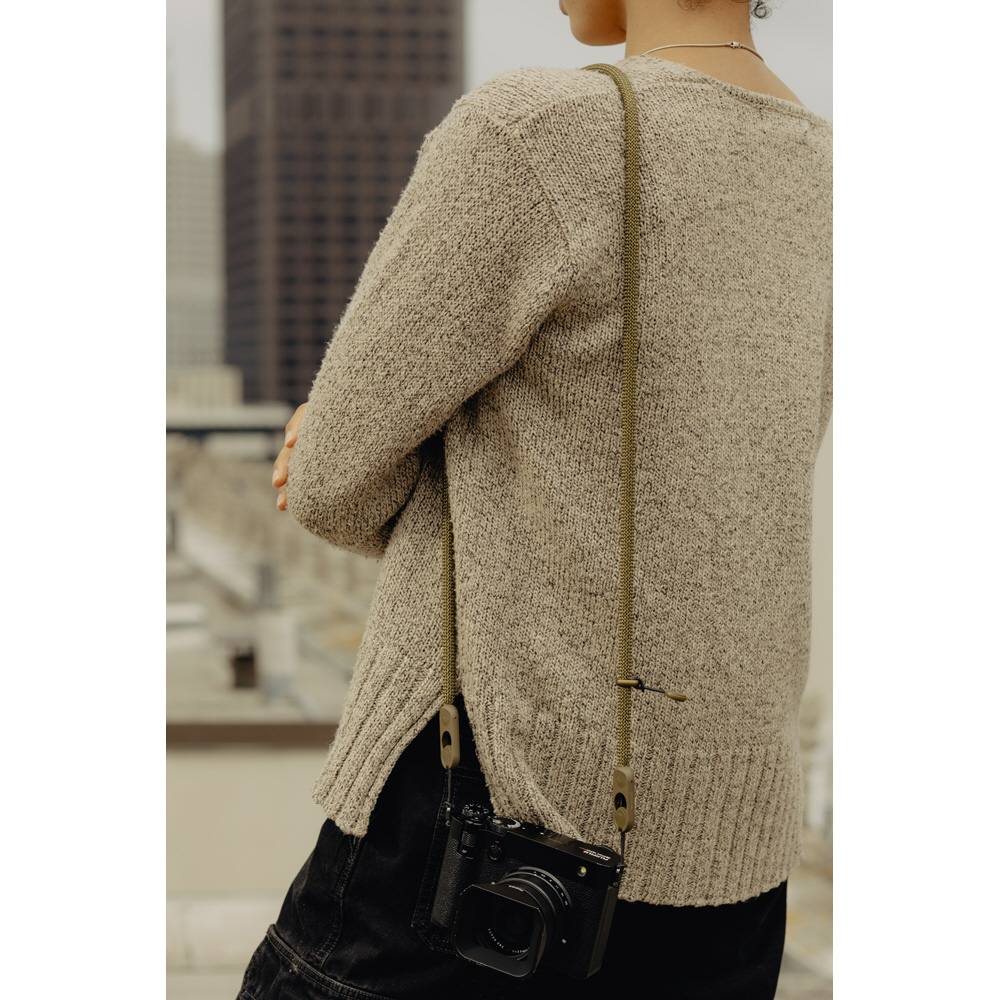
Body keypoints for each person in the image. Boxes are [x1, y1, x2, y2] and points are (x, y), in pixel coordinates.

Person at [243, 0, 831, 997]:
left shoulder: (540, 134)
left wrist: (364, 436)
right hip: (734, 862)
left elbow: (333, 481)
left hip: (486, 824)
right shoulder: (831, 172)